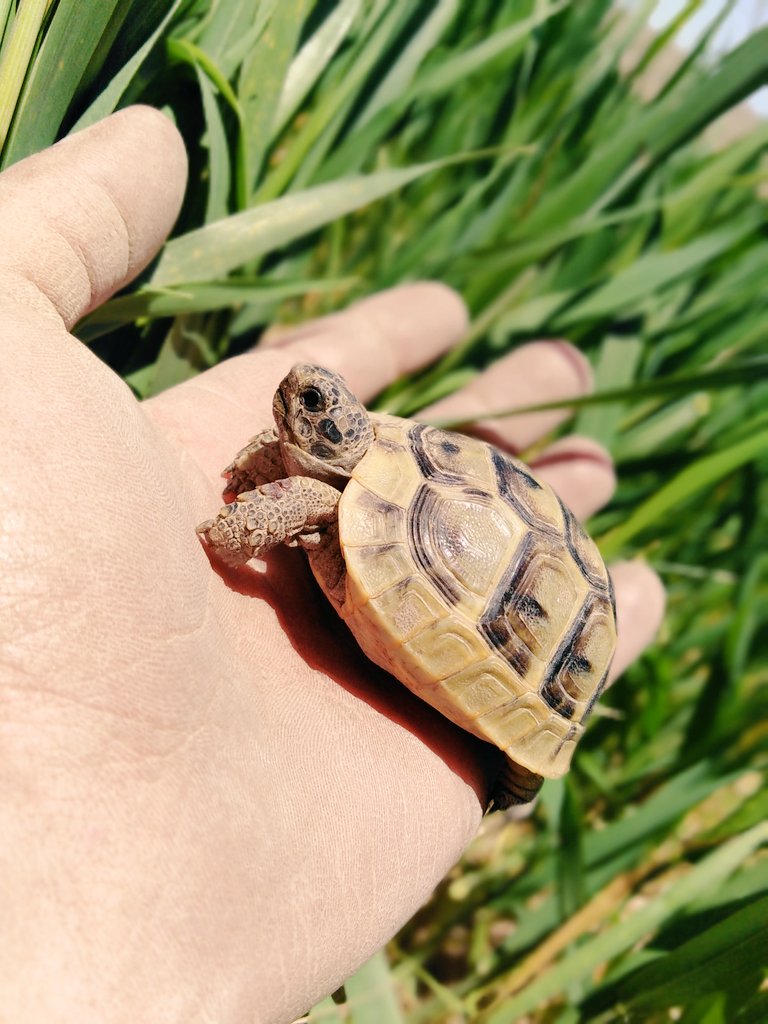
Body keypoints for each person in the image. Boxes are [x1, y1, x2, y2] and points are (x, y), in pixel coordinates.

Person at [0, 106, 664, 1023]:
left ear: (335, 434)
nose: (298, 402)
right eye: (310, 401)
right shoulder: (350, 473)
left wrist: (227, 529)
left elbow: (248, 529)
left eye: (313, 406)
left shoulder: (326, 497)